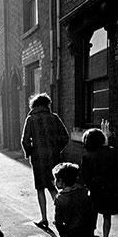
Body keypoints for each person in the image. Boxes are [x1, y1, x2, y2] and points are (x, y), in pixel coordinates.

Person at [21, 93, 69, 228]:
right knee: (53, 186)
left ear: (34, 105)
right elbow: (65, 137)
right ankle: (62, 216)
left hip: (38, 159)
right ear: (47, 104)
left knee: (40, 188)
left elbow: (24, 140)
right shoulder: (54, 118)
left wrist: (29, 152)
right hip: (54, 157)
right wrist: (57, 148)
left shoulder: (31, 119)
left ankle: (44, 219)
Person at [80, 125, 118, 237]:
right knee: (107, 215)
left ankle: (91, 235)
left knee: (92, 215)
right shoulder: (112, 151)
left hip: (95, 190)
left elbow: (85, 177)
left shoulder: (87, 157)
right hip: (110, 189)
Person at [53, 162, 95, 237]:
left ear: (61, 181)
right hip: (85, 231)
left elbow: (58, 220)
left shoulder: (60, 198)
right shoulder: (83, 193)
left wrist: (62, 234)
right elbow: (91, 212)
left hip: (70, 233)